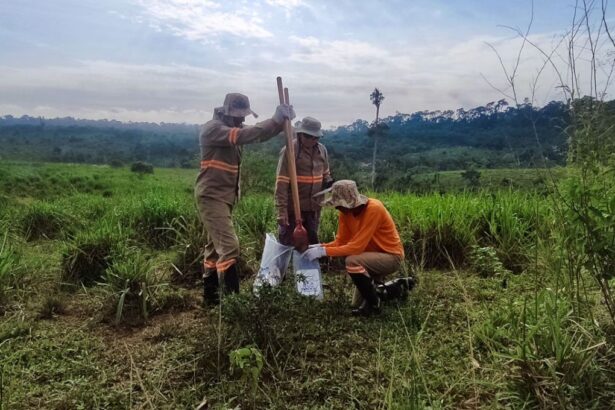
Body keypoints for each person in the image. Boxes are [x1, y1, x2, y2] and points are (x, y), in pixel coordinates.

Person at [196, 92, 295, 305]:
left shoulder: (233, 128)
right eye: (238, 116)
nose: (242, 120)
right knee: (230, 247)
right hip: (212, 196)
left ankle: (210, 299)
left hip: (225, 197)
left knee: (215, 247)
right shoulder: (213, 129)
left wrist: (280, 123)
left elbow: (257, 135)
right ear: (226, 112)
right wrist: (275, 119)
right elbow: (244, 135)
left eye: (244, 116)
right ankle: (234, 305)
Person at [302, 180, 414, 316]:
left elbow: (356, 247)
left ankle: (374, 306)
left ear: (350, 203)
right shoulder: (345, 213)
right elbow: (341, 241)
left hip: (391, 257)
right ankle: (397, 286)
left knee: (352, 261)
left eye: (339, 205)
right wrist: (320, 246)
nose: (338, 208)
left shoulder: (374, 209)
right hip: (369, 257)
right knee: (356, 303)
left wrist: (322, 252)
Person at [274, 116, 333, 246]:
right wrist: (282, 211)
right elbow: (281, 182)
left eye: (315, 137)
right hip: (293, 207)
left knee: (311, 241)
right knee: (288, 242)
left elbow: (326, 173)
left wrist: (329, 181)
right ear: (301, 134)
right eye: (308, 136)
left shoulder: (322, 150)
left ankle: (307, 265)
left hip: (314, 207)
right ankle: (286, 266)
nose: (312, 140)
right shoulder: (289, 150)